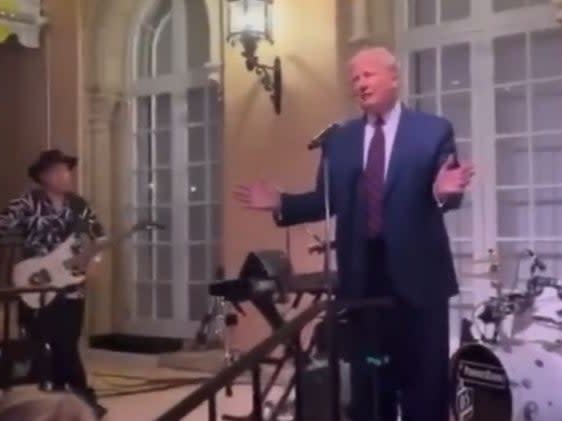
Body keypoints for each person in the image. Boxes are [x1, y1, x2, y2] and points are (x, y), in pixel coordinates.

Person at [234, 47, 474, 420]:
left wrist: (442, 193)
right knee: (370, 387)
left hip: (420, 286)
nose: (360, 84)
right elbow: (324, 200)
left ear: (394, 78)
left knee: (423, 392)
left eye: (368, 75)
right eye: (355, 79)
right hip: (363, 286)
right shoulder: (340, 141)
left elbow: (445, 193)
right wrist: (281, 202)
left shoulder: (432, 130)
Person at [0, 149, 107, 419]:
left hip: (71, 286)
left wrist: (94, 262)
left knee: (67, 343)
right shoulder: (27, 202)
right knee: (42, 343)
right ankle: (65, 397)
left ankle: (70, 398)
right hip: (36, 284)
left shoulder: (80, 206)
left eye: (66, 170)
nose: (65, 175)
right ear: (44, 176)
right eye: (59, 170)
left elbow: (98, 238)